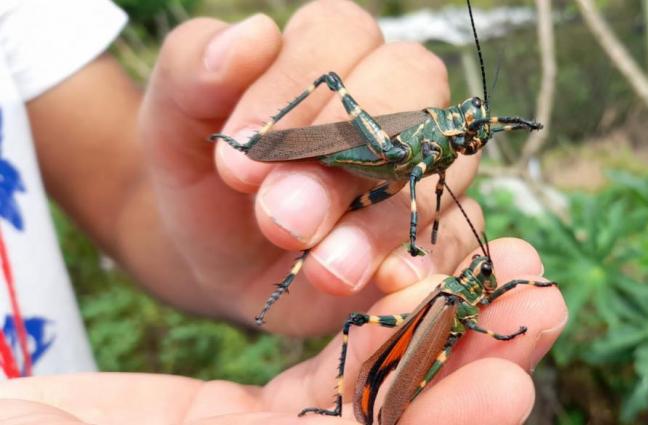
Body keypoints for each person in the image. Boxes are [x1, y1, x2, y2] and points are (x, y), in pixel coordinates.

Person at [0, 0, 567, 423]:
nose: (472, 139)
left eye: (474, 136)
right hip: (381, 148)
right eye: (470, 130)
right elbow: (417, 178)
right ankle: (261, 137)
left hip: (373, 184)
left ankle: (289, 259)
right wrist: (418, 232)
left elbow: (125, 193)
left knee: (408, 194)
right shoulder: (425, 152)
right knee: (346, 98)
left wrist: (421, 234)